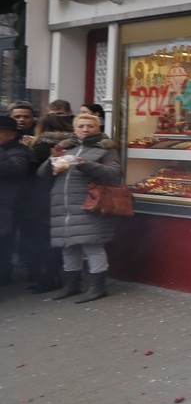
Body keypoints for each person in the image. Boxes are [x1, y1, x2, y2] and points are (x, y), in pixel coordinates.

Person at [38, 113, 121, 303]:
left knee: (92, 245)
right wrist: (51, 160)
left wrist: (84, 163)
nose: (85, 129)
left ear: (98, 128)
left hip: (89, 203)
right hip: (62, 205)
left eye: (90, 126)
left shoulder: (106, 149)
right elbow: (42, 174)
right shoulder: (65, 147)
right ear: (74, 129)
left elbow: (112, 173)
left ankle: (97, 287)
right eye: (81, 126)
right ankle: (71, 285)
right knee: (68, 246)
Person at [24, 114, 73, 293]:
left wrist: (26, 147)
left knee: (42, 238)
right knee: (54, 238)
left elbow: (32, 170)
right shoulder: (71, 144)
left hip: (40, 195)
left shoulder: (38, 145)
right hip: (63, 193)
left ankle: (48, 277)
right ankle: (54, 274)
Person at [0, 116, 32, 286]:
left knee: (4, 243)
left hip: (7, 206)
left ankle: (4, 275)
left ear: (12, 135)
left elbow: (11, 170)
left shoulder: (20, 152)